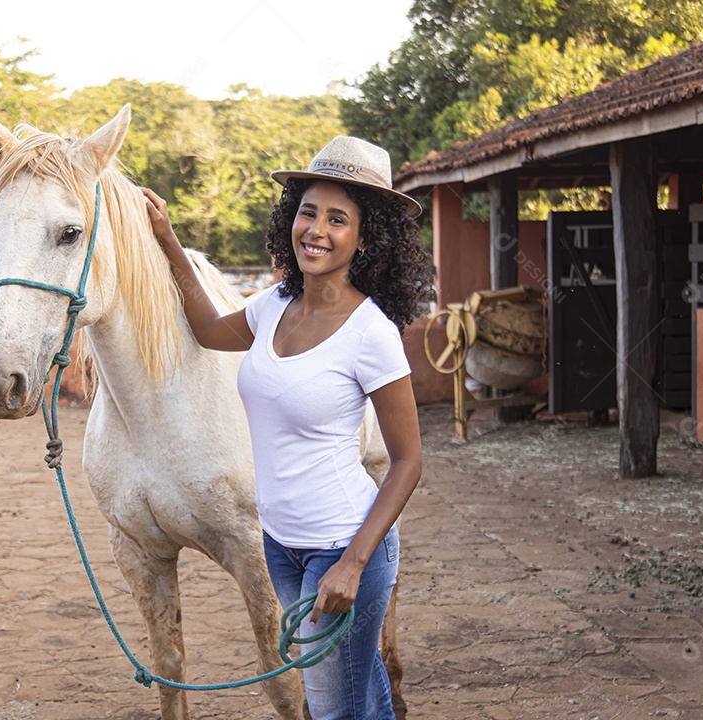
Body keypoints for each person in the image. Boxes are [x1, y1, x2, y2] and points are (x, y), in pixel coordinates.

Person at [142, 136, 434, 720]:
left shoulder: (371, 334)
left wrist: (352, 564)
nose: (316, 230)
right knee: (359, 685)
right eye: (307, 212)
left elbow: (408, 462)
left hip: (344, 545)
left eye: (337, 219)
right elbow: (208, 330)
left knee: (330, 706)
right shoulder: (275, 303)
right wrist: (169, 240)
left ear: (365, 237)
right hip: (280, 545)